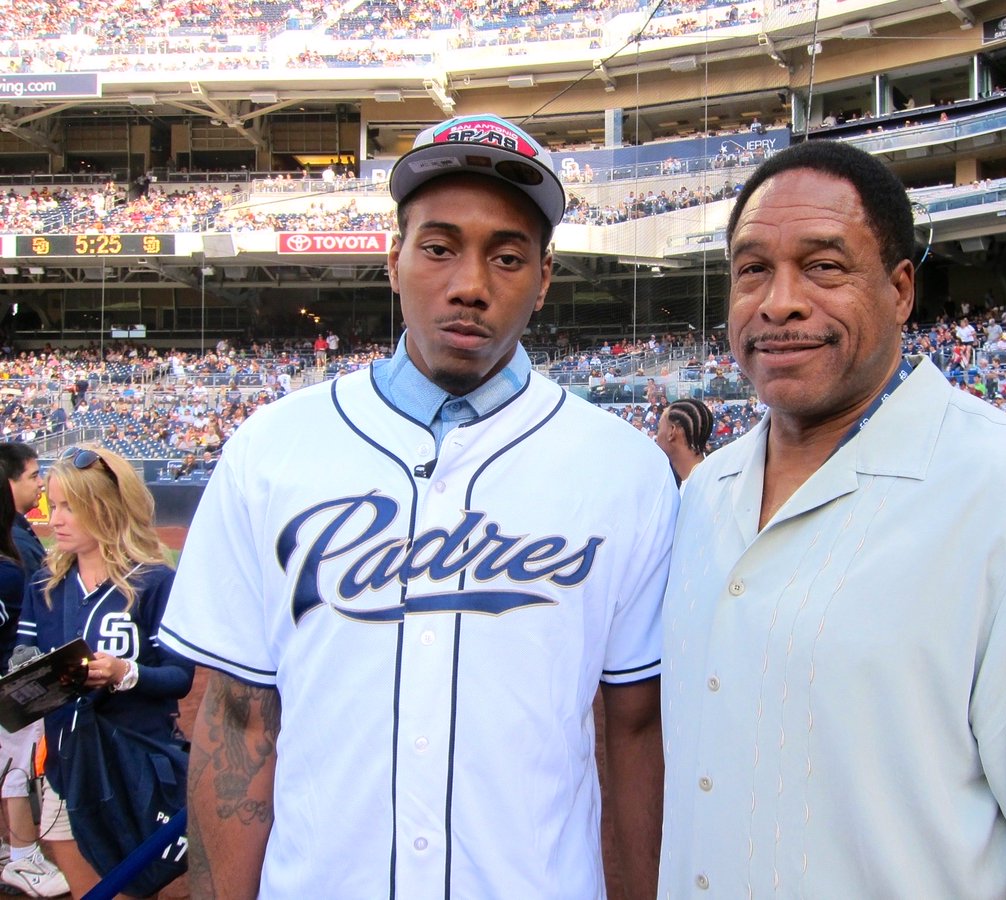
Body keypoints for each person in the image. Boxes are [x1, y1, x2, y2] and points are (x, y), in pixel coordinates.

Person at [658, 140, 1006, 897]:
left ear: (901, 289)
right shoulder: (704, 490)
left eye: (824, 266)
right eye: (753, 269)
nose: (779, 301)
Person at [161, 114, 678, 899]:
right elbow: (237, 720)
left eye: (507, 257)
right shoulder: (271, 448)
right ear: (393, 260)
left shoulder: (626, 470)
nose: (470, 284)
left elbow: (635, 728)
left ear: (542, 280)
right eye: (438, 247)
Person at [14, 446, 193, 899]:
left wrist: (123, 673)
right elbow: (23, 651)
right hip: (65, 763)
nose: (55, 519)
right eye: (54, 505)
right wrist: (25, 669)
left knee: (131, 887)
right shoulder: (45, 584)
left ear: (106, 509)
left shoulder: (153, 581)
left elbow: (180, 676)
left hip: (134, 763)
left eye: (70, 507)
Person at [0, 480, 67, 899]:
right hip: (15, 691)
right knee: (19, 771)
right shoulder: (10, 567)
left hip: (13, 682)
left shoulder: (10, 566)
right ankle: (23, 855)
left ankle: (16, 852)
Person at [0, 444, 45, 575]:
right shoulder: (13, 541)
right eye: (34, 476)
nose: (41, 482)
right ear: (6, 483)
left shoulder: (13, 531)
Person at [654, 398, 713, 486]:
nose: (656, 438)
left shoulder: (699, 489)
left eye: (658, 428)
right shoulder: (709, 476)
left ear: (671, 432)